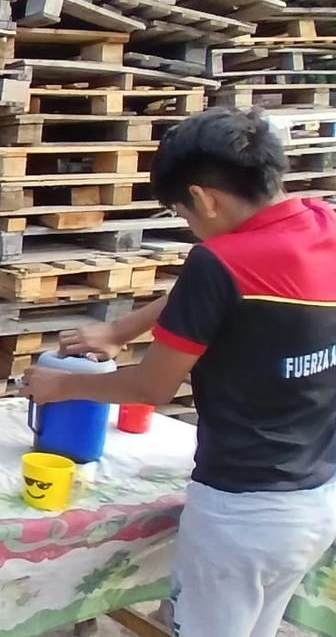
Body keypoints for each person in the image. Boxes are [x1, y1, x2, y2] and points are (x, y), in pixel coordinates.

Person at [21, 107, 336, 637]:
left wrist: (64, 385)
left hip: (240, 512)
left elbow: (152, 385)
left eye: (182, 213)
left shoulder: (219, 263)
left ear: (204, 198)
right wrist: (119, 330)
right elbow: (203, 295)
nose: (190, 226)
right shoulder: (322, 221)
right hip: (317, 496)